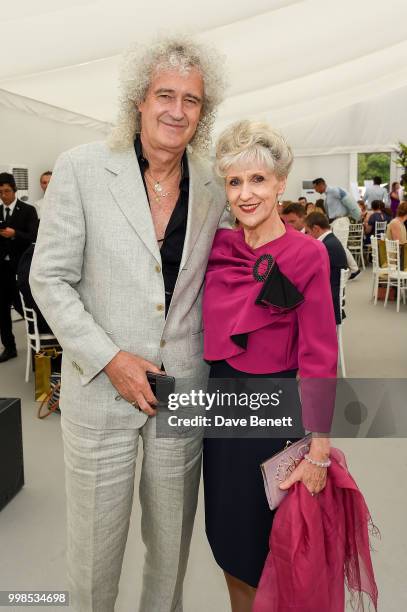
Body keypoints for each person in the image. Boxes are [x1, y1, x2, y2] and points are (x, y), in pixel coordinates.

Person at [30, 36, 227, 612]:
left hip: (183, 391)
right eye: (164, 95)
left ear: (202, 112)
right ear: (138, 102)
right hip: (101, 391)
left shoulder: (215, 184)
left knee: (171, 551)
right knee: (95, 553)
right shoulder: (83, 169)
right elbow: (50, 279)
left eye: (191, 100)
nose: (177, 109)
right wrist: (110, 358)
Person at [202, 120, 338, 612]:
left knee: (273, 552)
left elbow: (320, 354)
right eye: (235, 182)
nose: (245, 193)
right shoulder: (216, 249)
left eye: (258, 179)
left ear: (282, 183)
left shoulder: (307, 256)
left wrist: (318, 447)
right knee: (229, 544)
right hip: (220, 414)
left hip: (274, 419)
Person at [0, 172, 38, 362]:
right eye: (0, 192)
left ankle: (36, 345)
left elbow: (34, 237)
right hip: (2, 270)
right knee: (2, 312)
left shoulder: (28, 210)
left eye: (7, 191)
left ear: (14, 190)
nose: (3, 195)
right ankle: (9, 347)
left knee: (25, 308)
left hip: (21, 270)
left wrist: (14, 233)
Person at [304, 212, 348, 324]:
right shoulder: (331, 240)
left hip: (330, 299)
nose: (306, 236)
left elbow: (313, 274)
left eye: (307, 232)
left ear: (316, 229)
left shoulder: (326, 246)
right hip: (333, 291)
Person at [312, 177, 360, 242]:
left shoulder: (334, 190)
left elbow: (350, 202)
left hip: (341, 222)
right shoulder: (327, 195)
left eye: (315, 187)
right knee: (339, 245)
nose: (315, 190)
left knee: (341, 245)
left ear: (321, 184)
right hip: (335, 222)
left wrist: (357, 216)